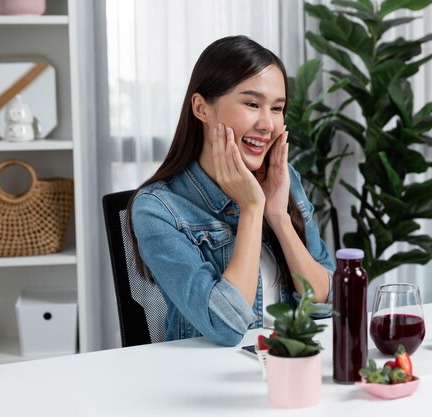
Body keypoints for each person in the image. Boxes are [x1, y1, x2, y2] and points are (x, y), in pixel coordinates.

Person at [128, 35, 334, 347]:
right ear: (201, 108)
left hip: (288, 363)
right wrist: (252, 209)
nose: (267, 124)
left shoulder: (282, 178)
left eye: (277, 108)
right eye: (252, 104)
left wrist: (277, 215)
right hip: (207, 379)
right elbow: (225, 326)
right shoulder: (157, 209)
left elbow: (321, 296)